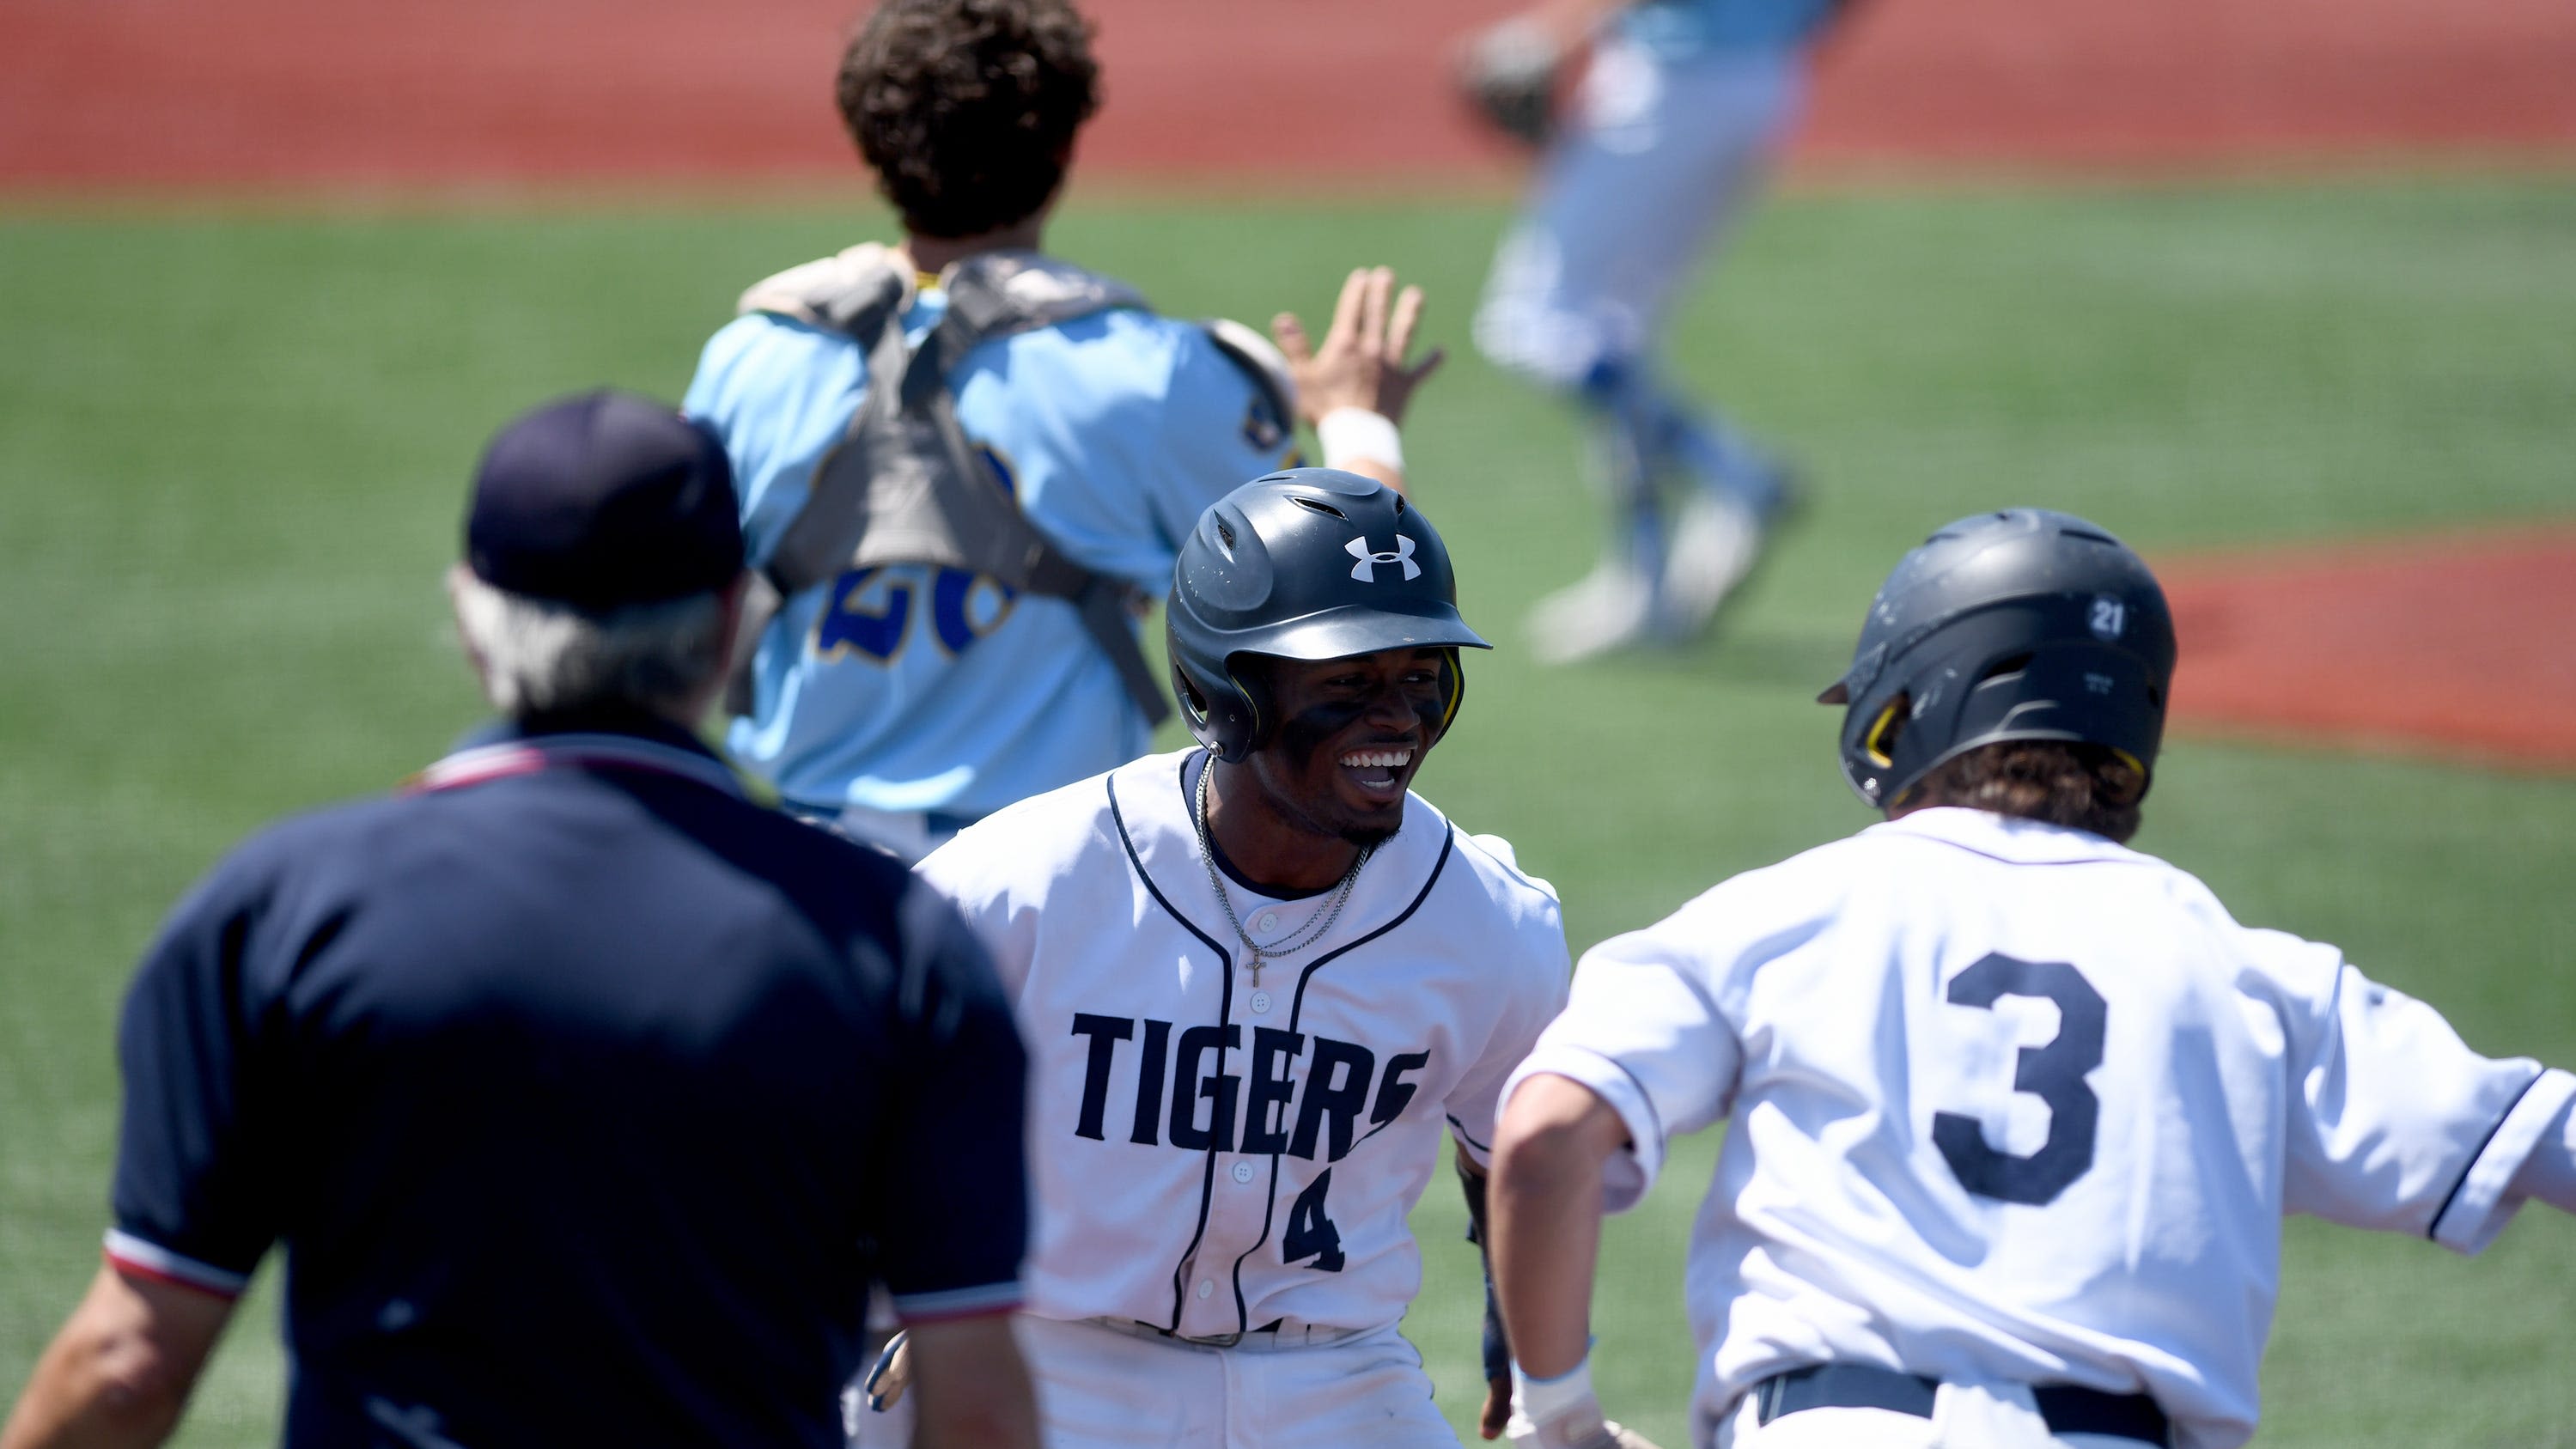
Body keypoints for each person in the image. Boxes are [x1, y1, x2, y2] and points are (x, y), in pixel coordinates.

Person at [0, 392, 1040, 1449]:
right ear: (731, 622)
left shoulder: (282, 911)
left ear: (471, 618)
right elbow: (975, 1406)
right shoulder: (889, 943)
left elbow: (128, 1366)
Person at [1481, 508, 2576, 1449]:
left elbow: (1540, 1137)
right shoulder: (2246, 971)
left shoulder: (1775, 917)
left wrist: (1559, 1410)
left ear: (1903, 709)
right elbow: (2538, 1137)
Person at [868, 468, 1573, 1447]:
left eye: (1422, 677)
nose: (1400, 719)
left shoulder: (1488, 923)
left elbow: (1524, 1144)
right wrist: (925, 1302)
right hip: (1055, 1357)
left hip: (1333, 1375)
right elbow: (843, 1104)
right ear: (1220, 694)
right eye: (1348, 684)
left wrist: (1522, 1323)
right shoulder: (1022, 884)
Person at [686, 0, 1444, 858]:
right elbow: (1358, 592)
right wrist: (1358, 419)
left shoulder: (751, 357)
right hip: (1039, 887)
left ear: (873, 141)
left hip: (799, 864)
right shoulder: (1152, 374)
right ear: (1061, 144)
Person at [1458, 0, 1853, 663]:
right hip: (1761, 81)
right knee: (1613, 338)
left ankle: (1736, 475)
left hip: (1673, 84)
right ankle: (1642, 581)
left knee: (1532, 321)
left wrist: (1545, 35)